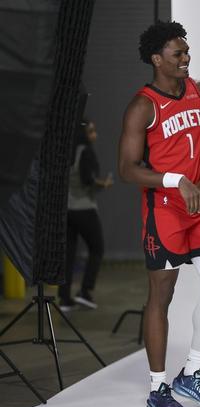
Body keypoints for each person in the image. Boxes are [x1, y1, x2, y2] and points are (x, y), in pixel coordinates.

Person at [118, 20, 200, 407]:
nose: (186, 58)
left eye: (186, 51)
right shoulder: (143, 105)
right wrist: (176, 180)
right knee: (161, 297)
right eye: (177, 53)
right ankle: (157, 389)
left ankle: (192, 372)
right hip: (164, 211)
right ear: (156, 59)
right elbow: (127, 169)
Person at [58, 119, 112, 312]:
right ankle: (85, 291)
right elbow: (87, 180)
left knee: (69, 253)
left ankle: (64, 298)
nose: (95, 135)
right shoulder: (86, 152)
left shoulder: (66, 151)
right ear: (84, 134)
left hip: (67, 209)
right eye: (91, 131)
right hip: (84, 208)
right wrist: (103, 184)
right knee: (97, 248)